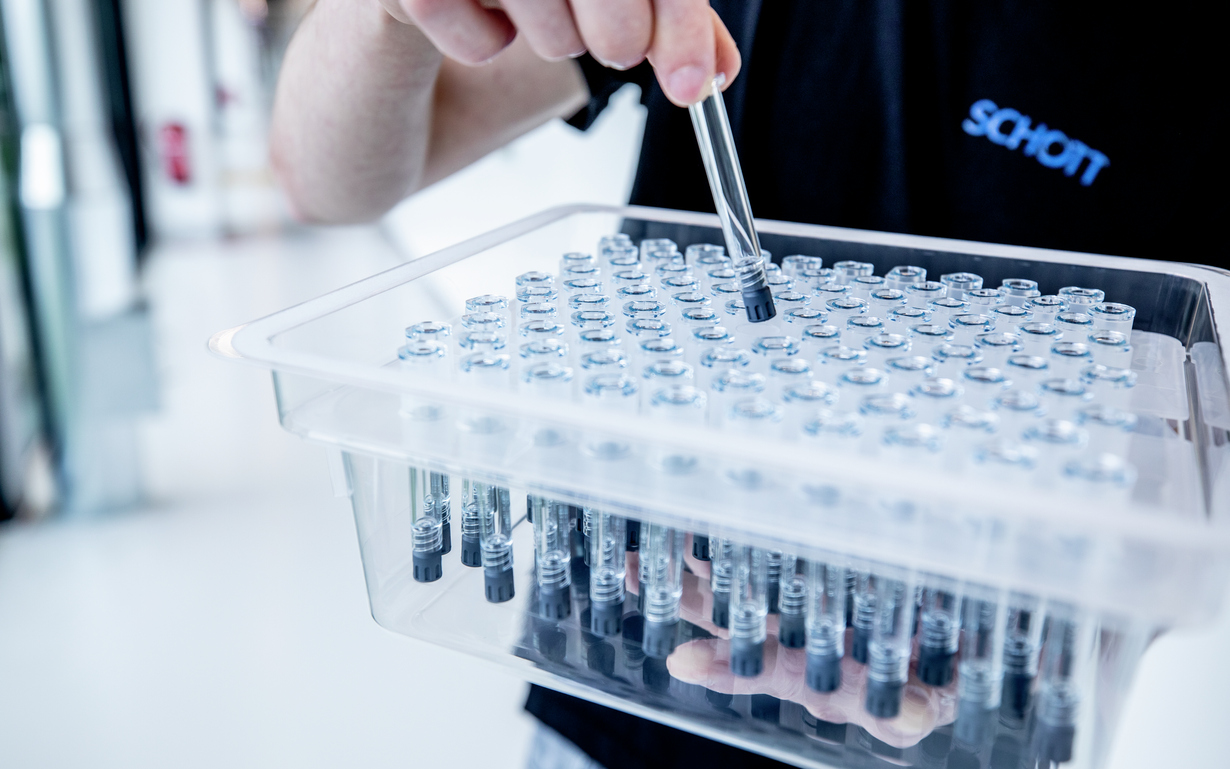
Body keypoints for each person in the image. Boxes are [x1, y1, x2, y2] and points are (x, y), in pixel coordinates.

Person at [271, 3, 1218, 768]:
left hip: (962, 715)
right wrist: (378, 14)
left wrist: (1059, 618)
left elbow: (1196, 465)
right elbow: (324, 184)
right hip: (621, 666)